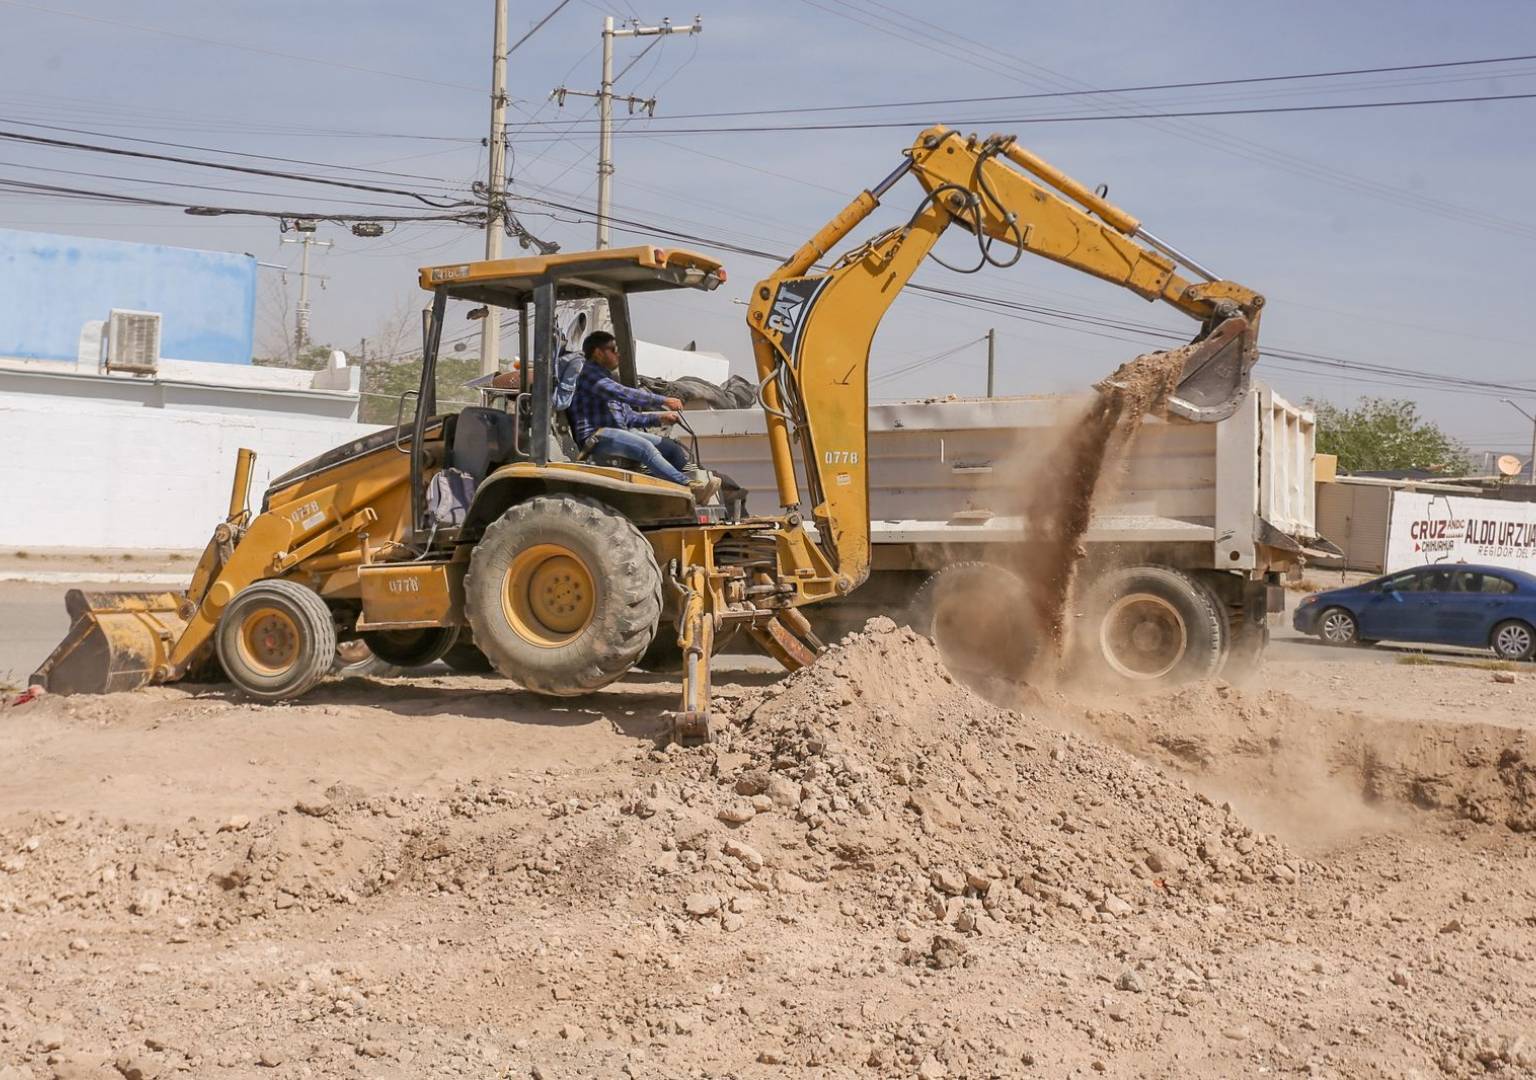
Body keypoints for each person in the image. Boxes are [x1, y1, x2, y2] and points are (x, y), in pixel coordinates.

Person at [569, 331, 720, 501]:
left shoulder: (607, 379)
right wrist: (664, 400)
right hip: (596, 437)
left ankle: (695, 481)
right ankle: (689, 486)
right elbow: (624, 393)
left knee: (671, 447)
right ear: (598, 353)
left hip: (616, 432)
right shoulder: (590, 376)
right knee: (645, 447)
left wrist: (659, 418)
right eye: (613, 350)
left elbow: (629, 418)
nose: (618, 354)